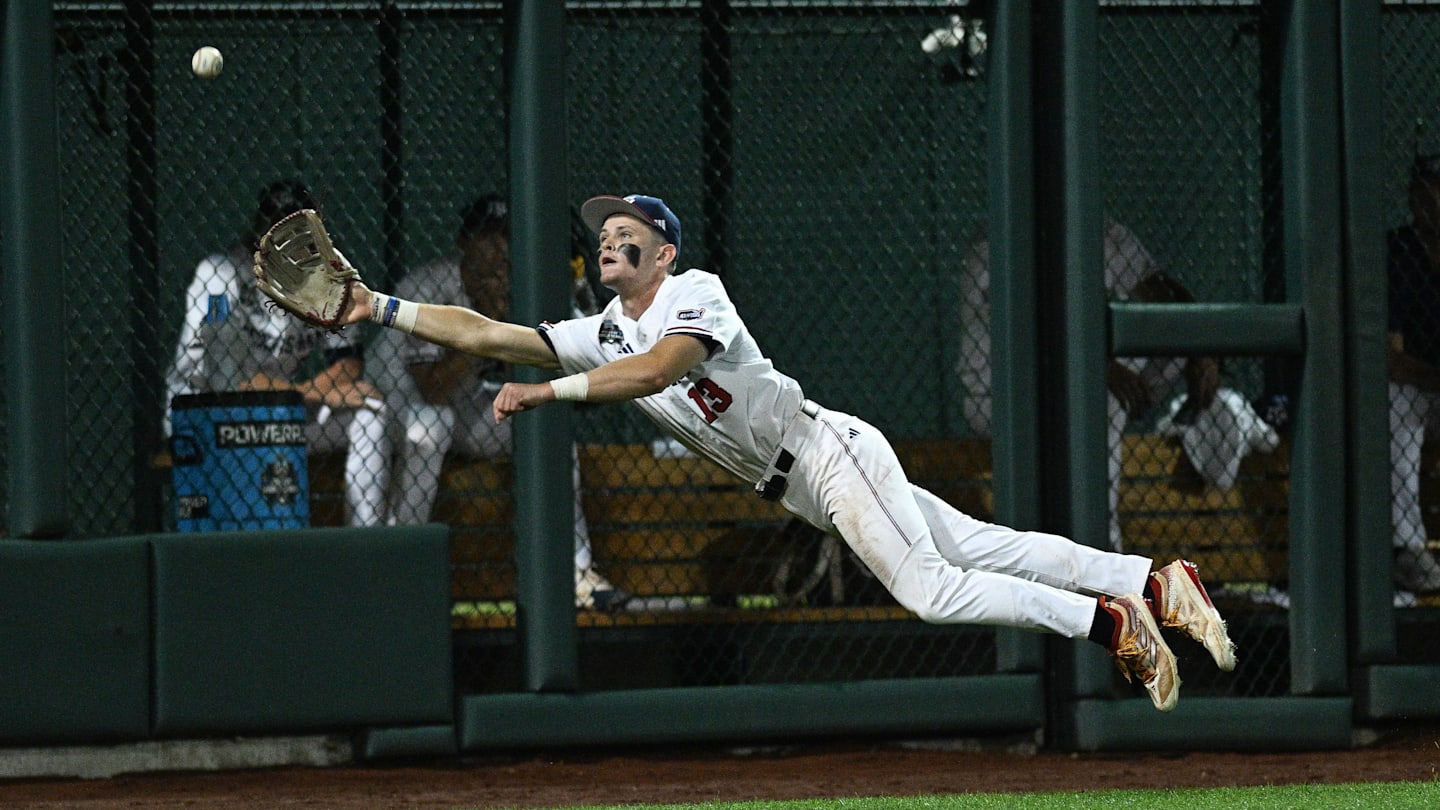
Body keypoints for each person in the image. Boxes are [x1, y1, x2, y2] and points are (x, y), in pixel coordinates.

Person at [309, 192, 1237, 712]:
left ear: (664, 252)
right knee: (976, 549)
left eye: (629, 231)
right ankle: (1155, 580)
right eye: (601, 234)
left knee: (931, 591)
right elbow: (490, 332)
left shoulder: (694, 295)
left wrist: (550, 392)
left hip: (827, 452)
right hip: (804, 482)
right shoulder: (604, 329)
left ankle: (1110, 625)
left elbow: (659, 372)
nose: (610, 239)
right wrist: (378, 309)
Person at [376, 195, 628, 611]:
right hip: (395, 407)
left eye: (505, 238)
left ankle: (580, 571)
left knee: (548, 433)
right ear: (463, 242)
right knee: (429, 425)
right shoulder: (430, 286)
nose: (498, 248)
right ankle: (400, 560)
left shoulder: (516, 286)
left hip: (463, 407)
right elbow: (431, 389)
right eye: (487, 237)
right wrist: (486, 326)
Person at [958, 218, 1220, 550]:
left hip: (1072, 387)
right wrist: (1097, 366)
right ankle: (1104, 552)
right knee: (1101, 401)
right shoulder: (1000, 238)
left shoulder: (1099, 231)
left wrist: (1202, 346)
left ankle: (1098, 551)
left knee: (1160, 357)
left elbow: (1159, 288)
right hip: (999, 398)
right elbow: (1024, 333)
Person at [167, 179, 390, 527]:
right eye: (277, 227)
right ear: (259, 230)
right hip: (210, 412)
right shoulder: (221, 274)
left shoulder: (328, 277)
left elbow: (347, 362)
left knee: (372, 410)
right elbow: (228, 382)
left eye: (298, 227)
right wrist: (316, 392)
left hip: (283, 413)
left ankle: (366, 537)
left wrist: (314, 393)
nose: (288, 240)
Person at [1386, 153, 1440, 595]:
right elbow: (1392, 356)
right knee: (1395, 401)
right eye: (1427, 189)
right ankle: (1407, 549)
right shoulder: (1397, 251)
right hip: (1419, 388)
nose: (1435, 199)